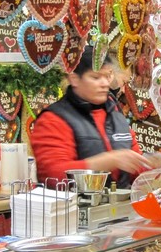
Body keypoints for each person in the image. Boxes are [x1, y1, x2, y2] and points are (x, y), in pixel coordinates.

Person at [30, 47, 151, 188]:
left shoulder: (116, 114)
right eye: (96, 77)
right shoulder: (53, 119)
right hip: (74, 208)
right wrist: (108, 161)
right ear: (74, 79)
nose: (105, 83)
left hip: (118, 207)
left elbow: (137, 171)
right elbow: (53, 176)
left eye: (107, 76)